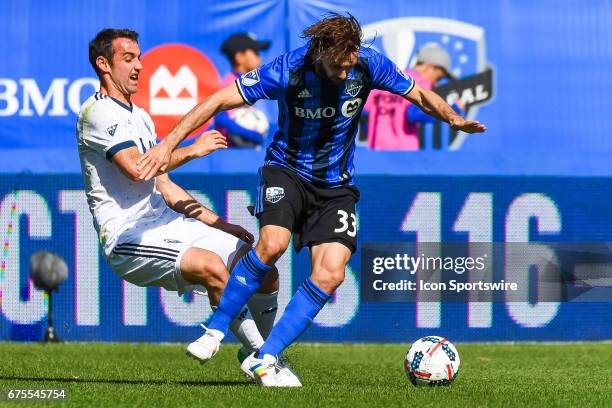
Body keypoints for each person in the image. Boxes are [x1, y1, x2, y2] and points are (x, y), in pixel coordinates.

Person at [136, 13, 486, 387]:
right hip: (286, 171)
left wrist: (452, 118)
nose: (343, 73)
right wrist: (169, 143)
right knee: (273, 244)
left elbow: (417, 92)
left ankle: (266, 357)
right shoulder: (288, 69)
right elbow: (218, 101)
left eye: (349, 65)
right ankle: (216, 329)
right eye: (337, 66)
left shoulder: (368, 64)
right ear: (320, 52)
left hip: (336, 186)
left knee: (332, 272)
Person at [77, 28, 297, 384]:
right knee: (212, 267)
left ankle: (256, 349)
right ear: (103, 64)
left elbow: (163, 184)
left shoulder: (141, 116)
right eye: (128, 58)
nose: (139, 66)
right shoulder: (98, 113)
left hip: (164, 222)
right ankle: (266, 361)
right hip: (127, 236)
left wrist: (219, 224)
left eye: (139, 57)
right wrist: (192, 149)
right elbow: (137, 169)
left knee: (261, 265)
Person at [365, 43, 464, 150]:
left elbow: (364, 109)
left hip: (377, 152)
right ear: (429, 67)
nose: (437, 83)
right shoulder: (422, 84)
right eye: (439, 78)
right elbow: (414, 114)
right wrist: (453, 111)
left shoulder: (389, 79)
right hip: (404, 155)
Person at [215, 33, 271, 147]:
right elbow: (220, 117)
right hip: (230, 151)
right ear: (239, 57)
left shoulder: (248, 81)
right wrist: (247, 133)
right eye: (255, 52)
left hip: (242, 149)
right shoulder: (232, 83)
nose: (259, 57)